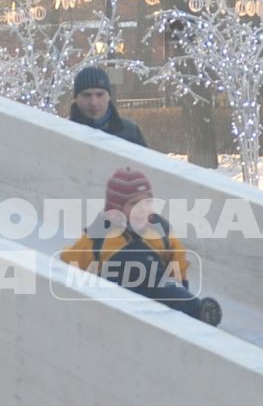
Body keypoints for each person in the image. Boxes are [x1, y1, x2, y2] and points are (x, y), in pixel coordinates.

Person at [60, 167, 220, 325]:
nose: (143, 209)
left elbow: (177, 259)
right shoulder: (99, 236)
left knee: (163, 286)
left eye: (147, 202)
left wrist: (181, 287)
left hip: (157, 292)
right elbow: (69, 261)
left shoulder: (159, 230)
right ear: (116, 209)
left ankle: (198, 311)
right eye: (134, 204)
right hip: (117, 300)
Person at [67, 66, 147, 147]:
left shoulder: (130, 132)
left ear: (109, 96)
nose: (93, 102)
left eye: (100, 95)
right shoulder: (64, 132)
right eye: (86, 95)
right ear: (76, 98)